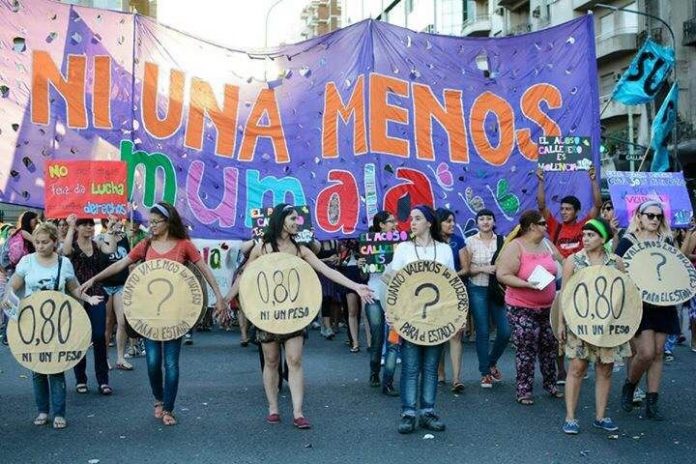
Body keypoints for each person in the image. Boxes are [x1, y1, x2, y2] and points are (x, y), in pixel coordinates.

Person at [219, 203, 373, 430]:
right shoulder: (262, 249)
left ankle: (298, 412)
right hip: (267, 314)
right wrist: (225, 300)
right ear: (281, 220)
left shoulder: (301, 249)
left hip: (294, 314)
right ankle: (273, 408)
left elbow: (326, 270)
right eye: (292, 218)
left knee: (294, 360)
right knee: (271, 360)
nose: (296, 222)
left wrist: (356, 286)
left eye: (297, 219)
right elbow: (244, 276)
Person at [79, 202, 227, 426]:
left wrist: (220, 298)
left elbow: (205, 270)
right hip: (149, 314)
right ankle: (158, 398)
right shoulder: (146, 245)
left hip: (176, 314)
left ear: (168, 222)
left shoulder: (184, 245)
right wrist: (94, 279)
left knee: (171, 364)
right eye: (150, 222)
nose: (152, 226)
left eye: (156, 222)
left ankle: (168, 409)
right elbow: (121, 264)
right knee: (152, 362)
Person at [1, 222, 103, 429]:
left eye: (45, 242)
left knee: (56, 369)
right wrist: (6, 295)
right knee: (37, 370)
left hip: (57, 323)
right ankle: (42, 411)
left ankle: (59, 413)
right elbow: (14, 284)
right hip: (32, 324)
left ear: (54, 242)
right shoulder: (27, 262)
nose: (40, 246)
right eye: (37, 242)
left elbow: (74, 288)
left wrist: (89, 299)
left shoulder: (64, 263)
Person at [387, 205, 455, 434]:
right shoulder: (403, 249)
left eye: (417, 218)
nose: (412, 223)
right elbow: (394, 284)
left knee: (431, 367)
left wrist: (456, 317)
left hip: (437, 318)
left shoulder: (444, 250)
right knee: (410, 367)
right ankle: (408, 413)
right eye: (411, 219)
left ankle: (428, 411)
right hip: (409, 316)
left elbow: (451, 286)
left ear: (429, 222)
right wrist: (392, 313)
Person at [559, 218, 629, 434]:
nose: (585, 239)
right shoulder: (573, 260)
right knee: (577, 368)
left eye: (591, 235)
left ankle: (600, 416)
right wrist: (560, 323)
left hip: (607, 326)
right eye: (584, 235)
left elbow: (624, 293)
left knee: (605, 369)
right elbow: (564, 295)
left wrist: (625, 324)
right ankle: (570, 417)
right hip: (579, 324)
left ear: (603, 238)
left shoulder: (616, 262)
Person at [616, 201, 679, 420]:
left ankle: (652, 402)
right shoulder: (629, 240)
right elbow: (616, 268)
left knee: (659, 352)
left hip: (663, 303)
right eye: (650, 215)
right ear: (639, 216)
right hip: (638, 304)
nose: (654, 220)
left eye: (658, 216)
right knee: (646, 353)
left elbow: (677, 268)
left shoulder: (667, 240)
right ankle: (630, 385)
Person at [496, 210, 564, 405]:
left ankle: (550, 384)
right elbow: (502, 275)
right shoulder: (515, 247)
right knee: (526, 348)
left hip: (548, 307)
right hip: (521, 307)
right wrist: (526, 284)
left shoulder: (547, 244)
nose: (546, 226)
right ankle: (524, 390)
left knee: (549, 346)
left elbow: (562, 263)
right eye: (542, 223)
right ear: (532, 226)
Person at [63, 215, 116, 395]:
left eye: (91, 225)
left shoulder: (97, 243)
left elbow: (111, 249)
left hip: (97, 294)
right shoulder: (72, 245)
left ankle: (103, 380)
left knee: (99, 335)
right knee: (79, 337)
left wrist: (110, 227)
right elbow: (66, 251)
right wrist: (71, 226)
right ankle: (80, 379)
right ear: (78, 228)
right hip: (77, 295)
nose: (89, 228)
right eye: (84, 225)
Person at [462, 209, 511, 388]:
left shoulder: (503, 240)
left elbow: (509, 264)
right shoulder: (470, 241)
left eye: (489, 218)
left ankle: (491, 362)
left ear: (494, 222)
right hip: (477, 288)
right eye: (481, 219)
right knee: (482, 331)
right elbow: (466, 269)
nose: (485, 222)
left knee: (505, 331)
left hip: (497, 289)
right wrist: (484, 269)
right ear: (477, 223)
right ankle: (485, 373)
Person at [360, 211, 400, 396]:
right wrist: (361, 265)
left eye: (394, 221)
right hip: (374, 296)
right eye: (391, 221)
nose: (395, 224)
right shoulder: (369, 244)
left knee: (393, 341)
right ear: (381, 225)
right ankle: (374, 371)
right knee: (377, 337)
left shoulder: (402, 245)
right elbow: (363, 276)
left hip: (395, 299)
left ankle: (388, 381)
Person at [536, 166, 602, 258]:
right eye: (562, 209)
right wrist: (541, 181)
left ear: (577, 212)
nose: (563, 212)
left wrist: (594, 180)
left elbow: (598, 205)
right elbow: (541, 206)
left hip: (581, 265)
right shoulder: (555, 227)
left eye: (568, 209)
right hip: (560, 266)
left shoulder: (584, 226)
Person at [435, 207, 467, 393]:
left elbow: (466, 268)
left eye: (453, 221)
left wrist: (450, 277)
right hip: (434, 294)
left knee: (455, 334)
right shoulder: (430, 243)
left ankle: (456, 378)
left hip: (454, 292)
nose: (452, 224)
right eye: (448, 221)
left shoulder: (458, 240)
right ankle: (440, 373)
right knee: (438, 335)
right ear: (438, 223)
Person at [97, 218, 133, 370]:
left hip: (121, 285)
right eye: (114, 221)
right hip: (105, 285)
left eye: (118, 221)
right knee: (107, 323)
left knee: (122, 321)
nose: (118, 223)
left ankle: (120, 358)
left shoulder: (124, 238)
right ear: (106, 223)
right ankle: (104, 358)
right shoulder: (100, 239)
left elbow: (129, 260)